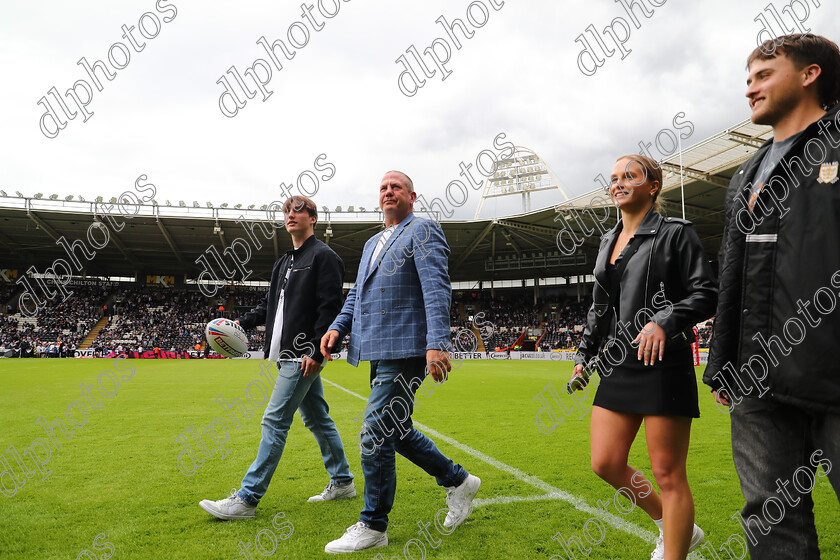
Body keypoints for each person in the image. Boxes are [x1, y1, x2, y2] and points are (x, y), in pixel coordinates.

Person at [703, 34, 840, 559]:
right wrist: (725, 363)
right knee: (770, 516)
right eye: (748, 79)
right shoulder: (746, 171)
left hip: (831, 370)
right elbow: (734, 274)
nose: (750, 89)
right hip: (758, 382)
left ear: (809, 75)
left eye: (763, 75)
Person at [320, 170, 480, 554]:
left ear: (412, 196)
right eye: (383, 187)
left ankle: (373, 524)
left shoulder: (422, 230)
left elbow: (436, 285)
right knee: (396, 429)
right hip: (375, 347)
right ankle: (459, 481)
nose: (388, 191)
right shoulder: (373, 242)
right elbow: (357, 293)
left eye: (396, 187)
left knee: (374, 433)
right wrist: (339, 327)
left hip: (407, 346)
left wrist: (437, 343)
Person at [571, 154, 717, 560]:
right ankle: (672, 528)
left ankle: (675, 551)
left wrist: (664, 321)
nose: (618, 183)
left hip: (663, 361)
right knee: (605, 463)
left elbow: (706, 293)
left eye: (629, 176)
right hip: (618, 364)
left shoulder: (676, 233)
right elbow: (600, 308)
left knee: (669, 475)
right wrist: (584, 354)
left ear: (653, 186)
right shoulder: (606, 240)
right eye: (614, 178)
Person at [199, 195, 355, 520]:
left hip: (303, 354)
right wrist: (240, 323)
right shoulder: (284, 261)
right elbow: (271, 307)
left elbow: (330, 308)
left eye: (298, 210)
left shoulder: (325, 257)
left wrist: (316, 350)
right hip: (285, 353)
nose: (290, 215)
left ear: (313, 218)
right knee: (317, 418)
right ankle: (342, 481)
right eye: (286, 211)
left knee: (274, 420)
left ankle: (246, 499)